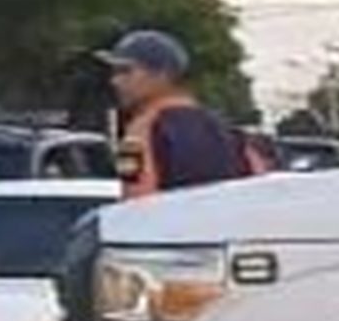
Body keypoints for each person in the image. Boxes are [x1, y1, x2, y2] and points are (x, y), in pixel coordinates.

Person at [96, 29, 247, 200]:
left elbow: (135, 203)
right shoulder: (228, 130)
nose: (114, 81)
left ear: (161, 75)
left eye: (125, 71)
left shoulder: (136, 136)